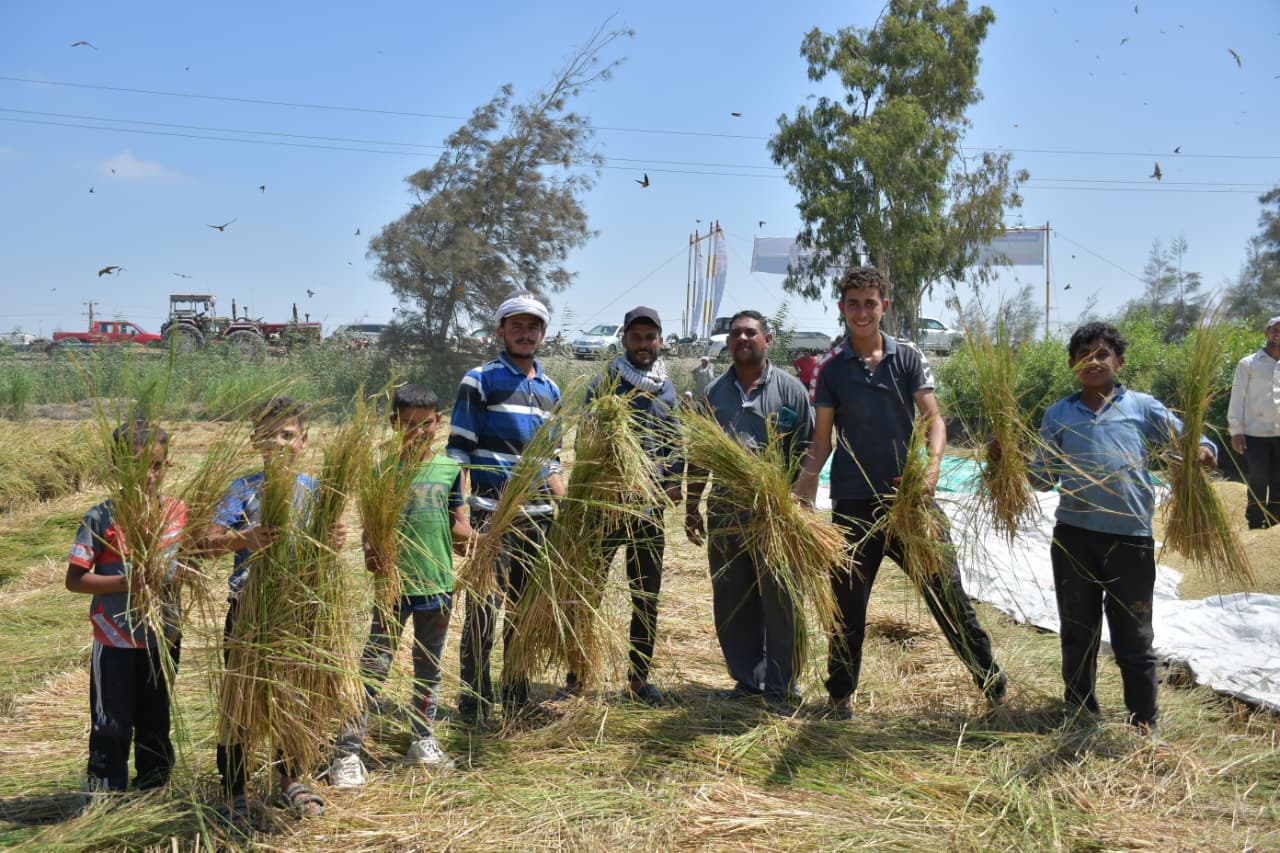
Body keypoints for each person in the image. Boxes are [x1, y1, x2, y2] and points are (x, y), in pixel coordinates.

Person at [794, 267, 1006, 720]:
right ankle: (839, 698)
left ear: (884, 306)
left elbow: (934, 419)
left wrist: (932, 468)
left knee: (948, 597)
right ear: (841, 308)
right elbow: (822, 440)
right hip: (853, 507)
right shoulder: (831, 370)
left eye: (870, 303)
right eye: (853, 303)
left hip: (909, 502)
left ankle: (995, 689)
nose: (862, 311)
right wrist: (806, 483)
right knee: (846, 606)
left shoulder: (907, 358)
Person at [1021, 321, 1215, 733]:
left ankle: (1143, 721)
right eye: (1084, 354)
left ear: (1119, 362)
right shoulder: (1059, 413)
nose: (1094, 361)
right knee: (1078, 631)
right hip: (1074, 536)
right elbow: (1042, 478)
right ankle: (1079, 714)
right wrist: (1009, 461)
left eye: (1102, 353)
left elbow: (1191, 441)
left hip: (1131, 539)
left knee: (1135, 635)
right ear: (1072, 363)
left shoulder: (1142, 407)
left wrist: (1203, 451)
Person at [204, 396, 346, 827]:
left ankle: (290, 779)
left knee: (296, 697)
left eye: (287, 435)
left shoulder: (317, 490)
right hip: (248, 611)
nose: (278, 443)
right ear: (255, 442)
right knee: (241, 703)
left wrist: (333, 541)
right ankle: (235, 790)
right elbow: (207, 539)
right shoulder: (242, 489)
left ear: (303, 441)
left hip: (301, 611)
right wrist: (241, 539)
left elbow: (330, 543)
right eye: (268, 436)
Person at [330, 384, 476, 787]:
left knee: (429, 668)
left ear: (438, 422)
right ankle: (347, 751)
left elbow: (458, 524)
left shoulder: (450, 470)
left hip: (438, 585)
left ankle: (422, 738)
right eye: (408, 425)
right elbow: (369, 532)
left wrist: (478, 537)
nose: (417, 432)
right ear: (394, 423)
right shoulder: (380, 470)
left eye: (425, 424)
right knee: (373, 668)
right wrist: (370, 554)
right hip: (394, 588)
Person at [686, 311, 813, 712]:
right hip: (725, 510)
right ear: (728, 343)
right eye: (736, 333)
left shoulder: (791, 391)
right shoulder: (714, 394)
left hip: (775, 511)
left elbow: (810, 450)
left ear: (768, 340)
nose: (742, 338)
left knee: (780, 597)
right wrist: (692, 507)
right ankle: (747, 680)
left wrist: (799, 503)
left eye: (751, 333)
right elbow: (700, 455)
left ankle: (782, 686)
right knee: (732, 596)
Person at [447, 292, 566, 724]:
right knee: (484, 610)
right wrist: (459, 521)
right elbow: (457, 455)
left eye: (533, 326)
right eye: (516, 325)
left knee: (526, 610)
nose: (525, 333)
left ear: (543, 334)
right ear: (500, 331)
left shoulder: (551, 389)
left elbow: (552, 461)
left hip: (538, 520)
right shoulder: (479, 381)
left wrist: (565, 509)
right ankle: (474, 703)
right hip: (488, 517)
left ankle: (517, 698)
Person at [567, 306, 683, 705]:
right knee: (588, 591)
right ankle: (578, 675)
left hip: (648, 511)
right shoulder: (605, 383)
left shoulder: (667, 388)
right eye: (636, 337)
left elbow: (675, 443)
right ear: (624, 341)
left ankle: (638, 680)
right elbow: (587, 437)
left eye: (650, 337)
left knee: (646, 596)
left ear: (660, 340)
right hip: (605, 510)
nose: (643, 345)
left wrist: (672, 481)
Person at [65, 421, 186, 795]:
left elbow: (195, 553)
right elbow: (75, 579)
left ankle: (153, 787)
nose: (147, 476)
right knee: (112, 724)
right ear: (117, 468)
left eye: (155, 466)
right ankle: (106, 794)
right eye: (136, 466)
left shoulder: (177, 513)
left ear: (166, 466)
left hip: (163, 638)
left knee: (155, 720)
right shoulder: (101, 519)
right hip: (115, 641)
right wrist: (128, 583)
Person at [1227, 315, 1280, 529]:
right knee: (1258, 478)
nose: (1278, 332)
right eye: (1275, 328)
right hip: (1255, 434)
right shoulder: (1249, 364)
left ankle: (1275, 523)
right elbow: (1238, 397)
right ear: (1266, 332)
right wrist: (1236, 431)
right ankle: (1256, 522)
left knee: (1279, 480)